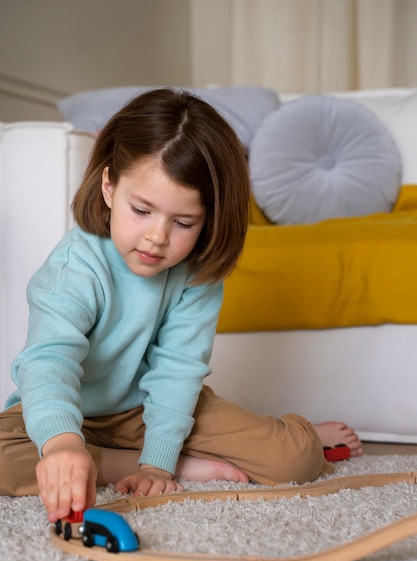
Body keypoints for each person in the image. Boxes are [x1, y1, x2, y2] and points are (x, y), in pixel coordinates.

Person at [0, 88, 362, 523]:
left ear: (208, 219)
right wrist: (61, 442)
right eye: (141, 210)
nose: (157, 237)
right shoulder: (74, 268)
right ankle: (120, 462)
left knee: (295, 461)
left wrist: (159, 462)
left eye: (183, 222)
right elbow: (49, 362)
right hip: (67, 404)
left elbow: (178, 368)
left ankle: (294, 434)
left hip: (146, 408)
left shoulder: (196, 270)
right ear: (109, 187)